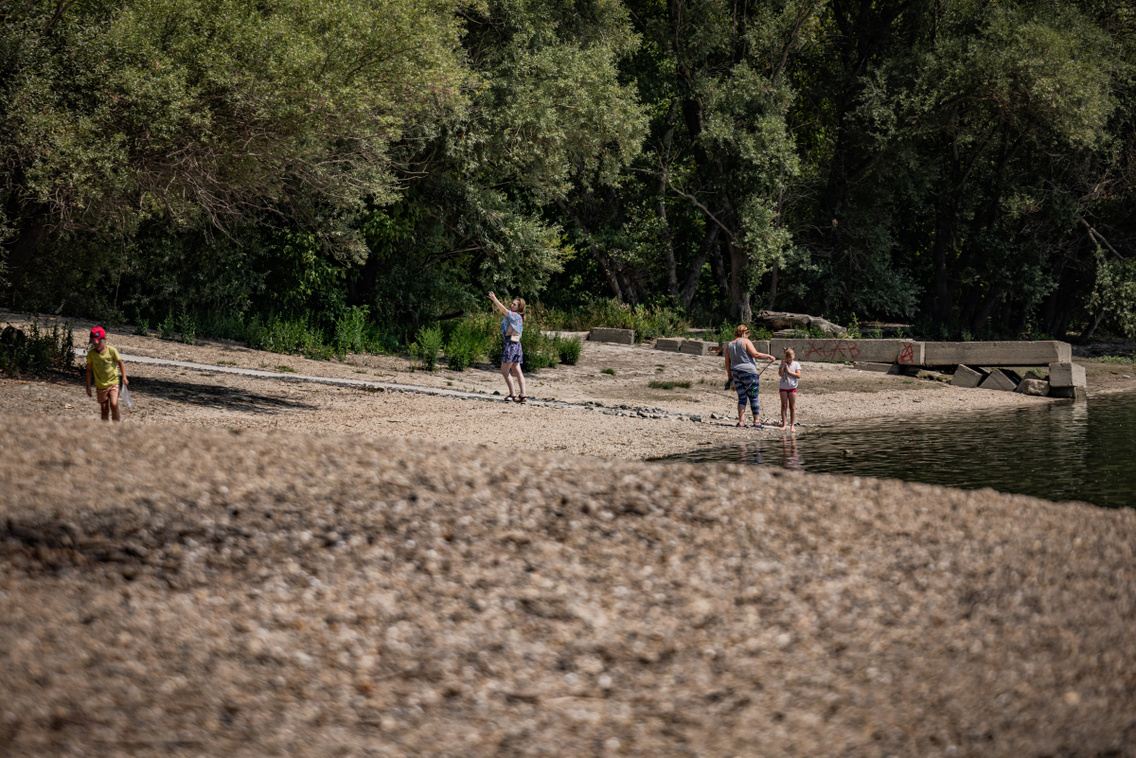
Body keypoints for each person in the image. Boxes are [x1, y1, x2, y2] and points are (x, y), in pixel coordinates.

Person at [724, 325, 777, 428]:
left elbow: (727, 362)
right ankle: (756, 422)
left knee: (742, 397)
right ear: (744, 333)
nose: (748, 336)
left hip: (736, 374)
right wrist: (769, 356)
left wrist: (730, 376)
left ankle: (741, 422)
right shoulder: (746, 342)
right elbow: (755, 354)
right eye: (747, 334)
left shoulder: (729, 345)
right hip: (749, 374)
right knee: (753, 396)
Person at [489, 291, 527, 403]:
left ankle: (512, 394)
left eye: (514, 304)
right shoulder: (519, 317)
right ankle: (523, 395)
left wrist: (494, 299)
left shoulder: (515, 315)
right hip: (516, 345)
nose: (511, 305)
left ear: (519, 307)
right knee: (517, 370)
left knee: (504, 371)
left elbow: (504, 310)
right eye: (512, 303)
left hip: (510, 344)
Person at [85, 326, 128, 422]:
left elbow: (121, 363)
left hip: (113, 382)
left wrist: (124, 377)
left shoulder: (111, 350)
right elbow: (88, 370)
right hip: (100, 385)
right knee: (104, 408)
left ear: (104, 339)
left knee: (114, 403)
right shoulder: (91, 354)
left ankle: (116, 427)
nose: (96, 345)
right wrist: (88, 386)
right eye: (94, 343)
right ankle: (104, 429)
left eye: (99, 342)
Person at [778, 347, 802, 430]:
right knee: (784, 405)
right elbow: (780, 374)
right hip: (783, 387)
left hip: (792, 387)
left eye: (790, 357)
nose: (789, 359)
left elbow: (798, 375)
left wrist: (789, 371)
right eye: (787, 358)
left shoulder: (796, 364)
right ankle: (784, 425)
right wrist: (782, 366)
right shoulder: (783, 364)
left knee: (792, 406)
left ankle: (792, 425)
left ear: (793, 356)